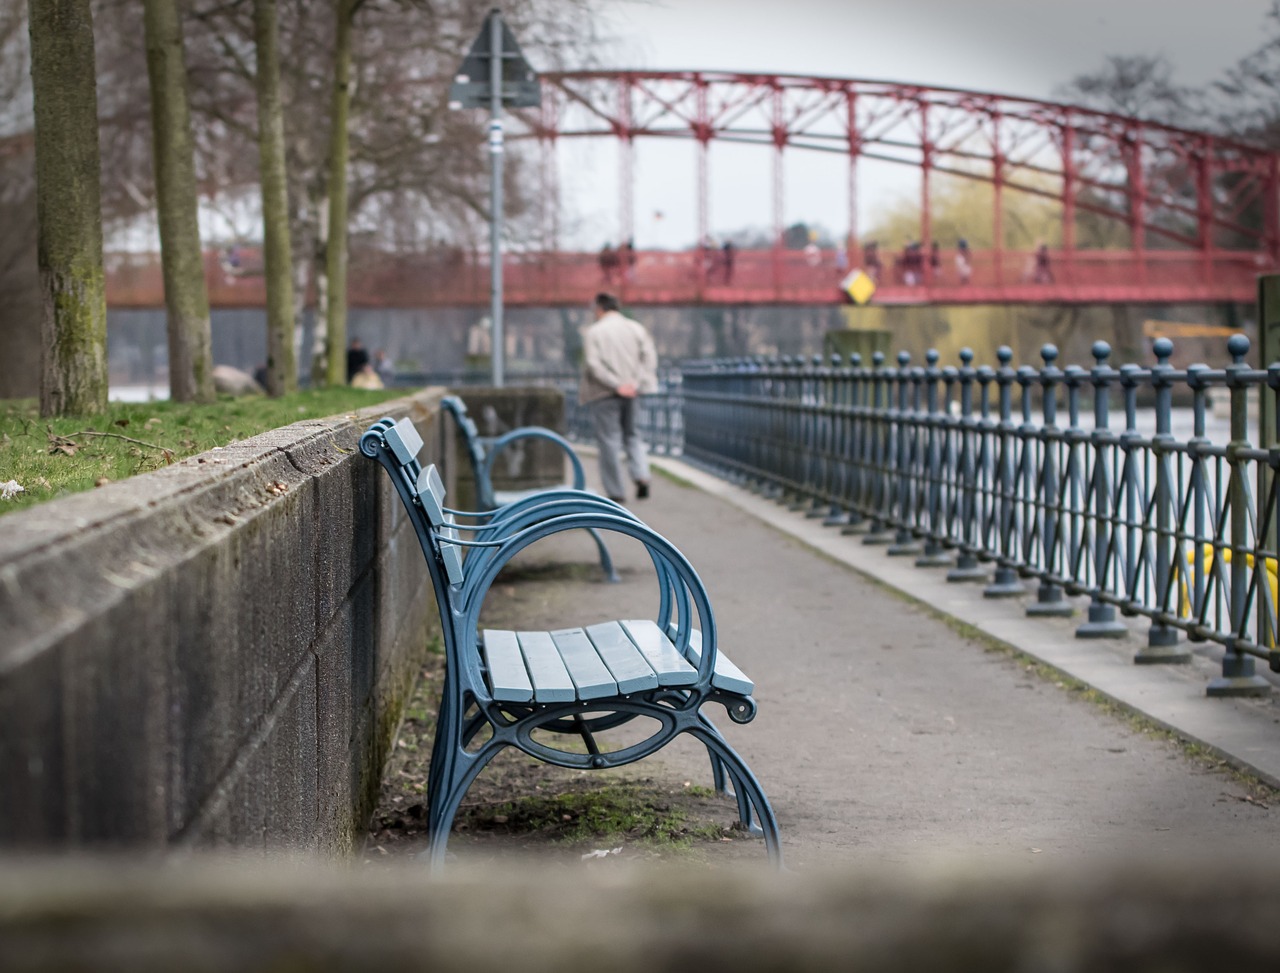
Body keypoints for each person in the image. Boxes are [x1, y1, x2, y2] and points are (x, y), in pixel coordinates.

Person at [579, 292, 658, 503]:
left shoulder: (594, 332)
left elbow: (594, 365)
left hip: (605, 393)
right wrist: (635, 383)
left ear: (599, 309)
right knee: (633, 435)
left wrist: (617, 385)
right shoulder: (636, 328)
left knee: (609, 441)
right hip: (633, 391)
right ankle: (641, 475)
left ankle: (616, 492)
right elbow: (649, 358)